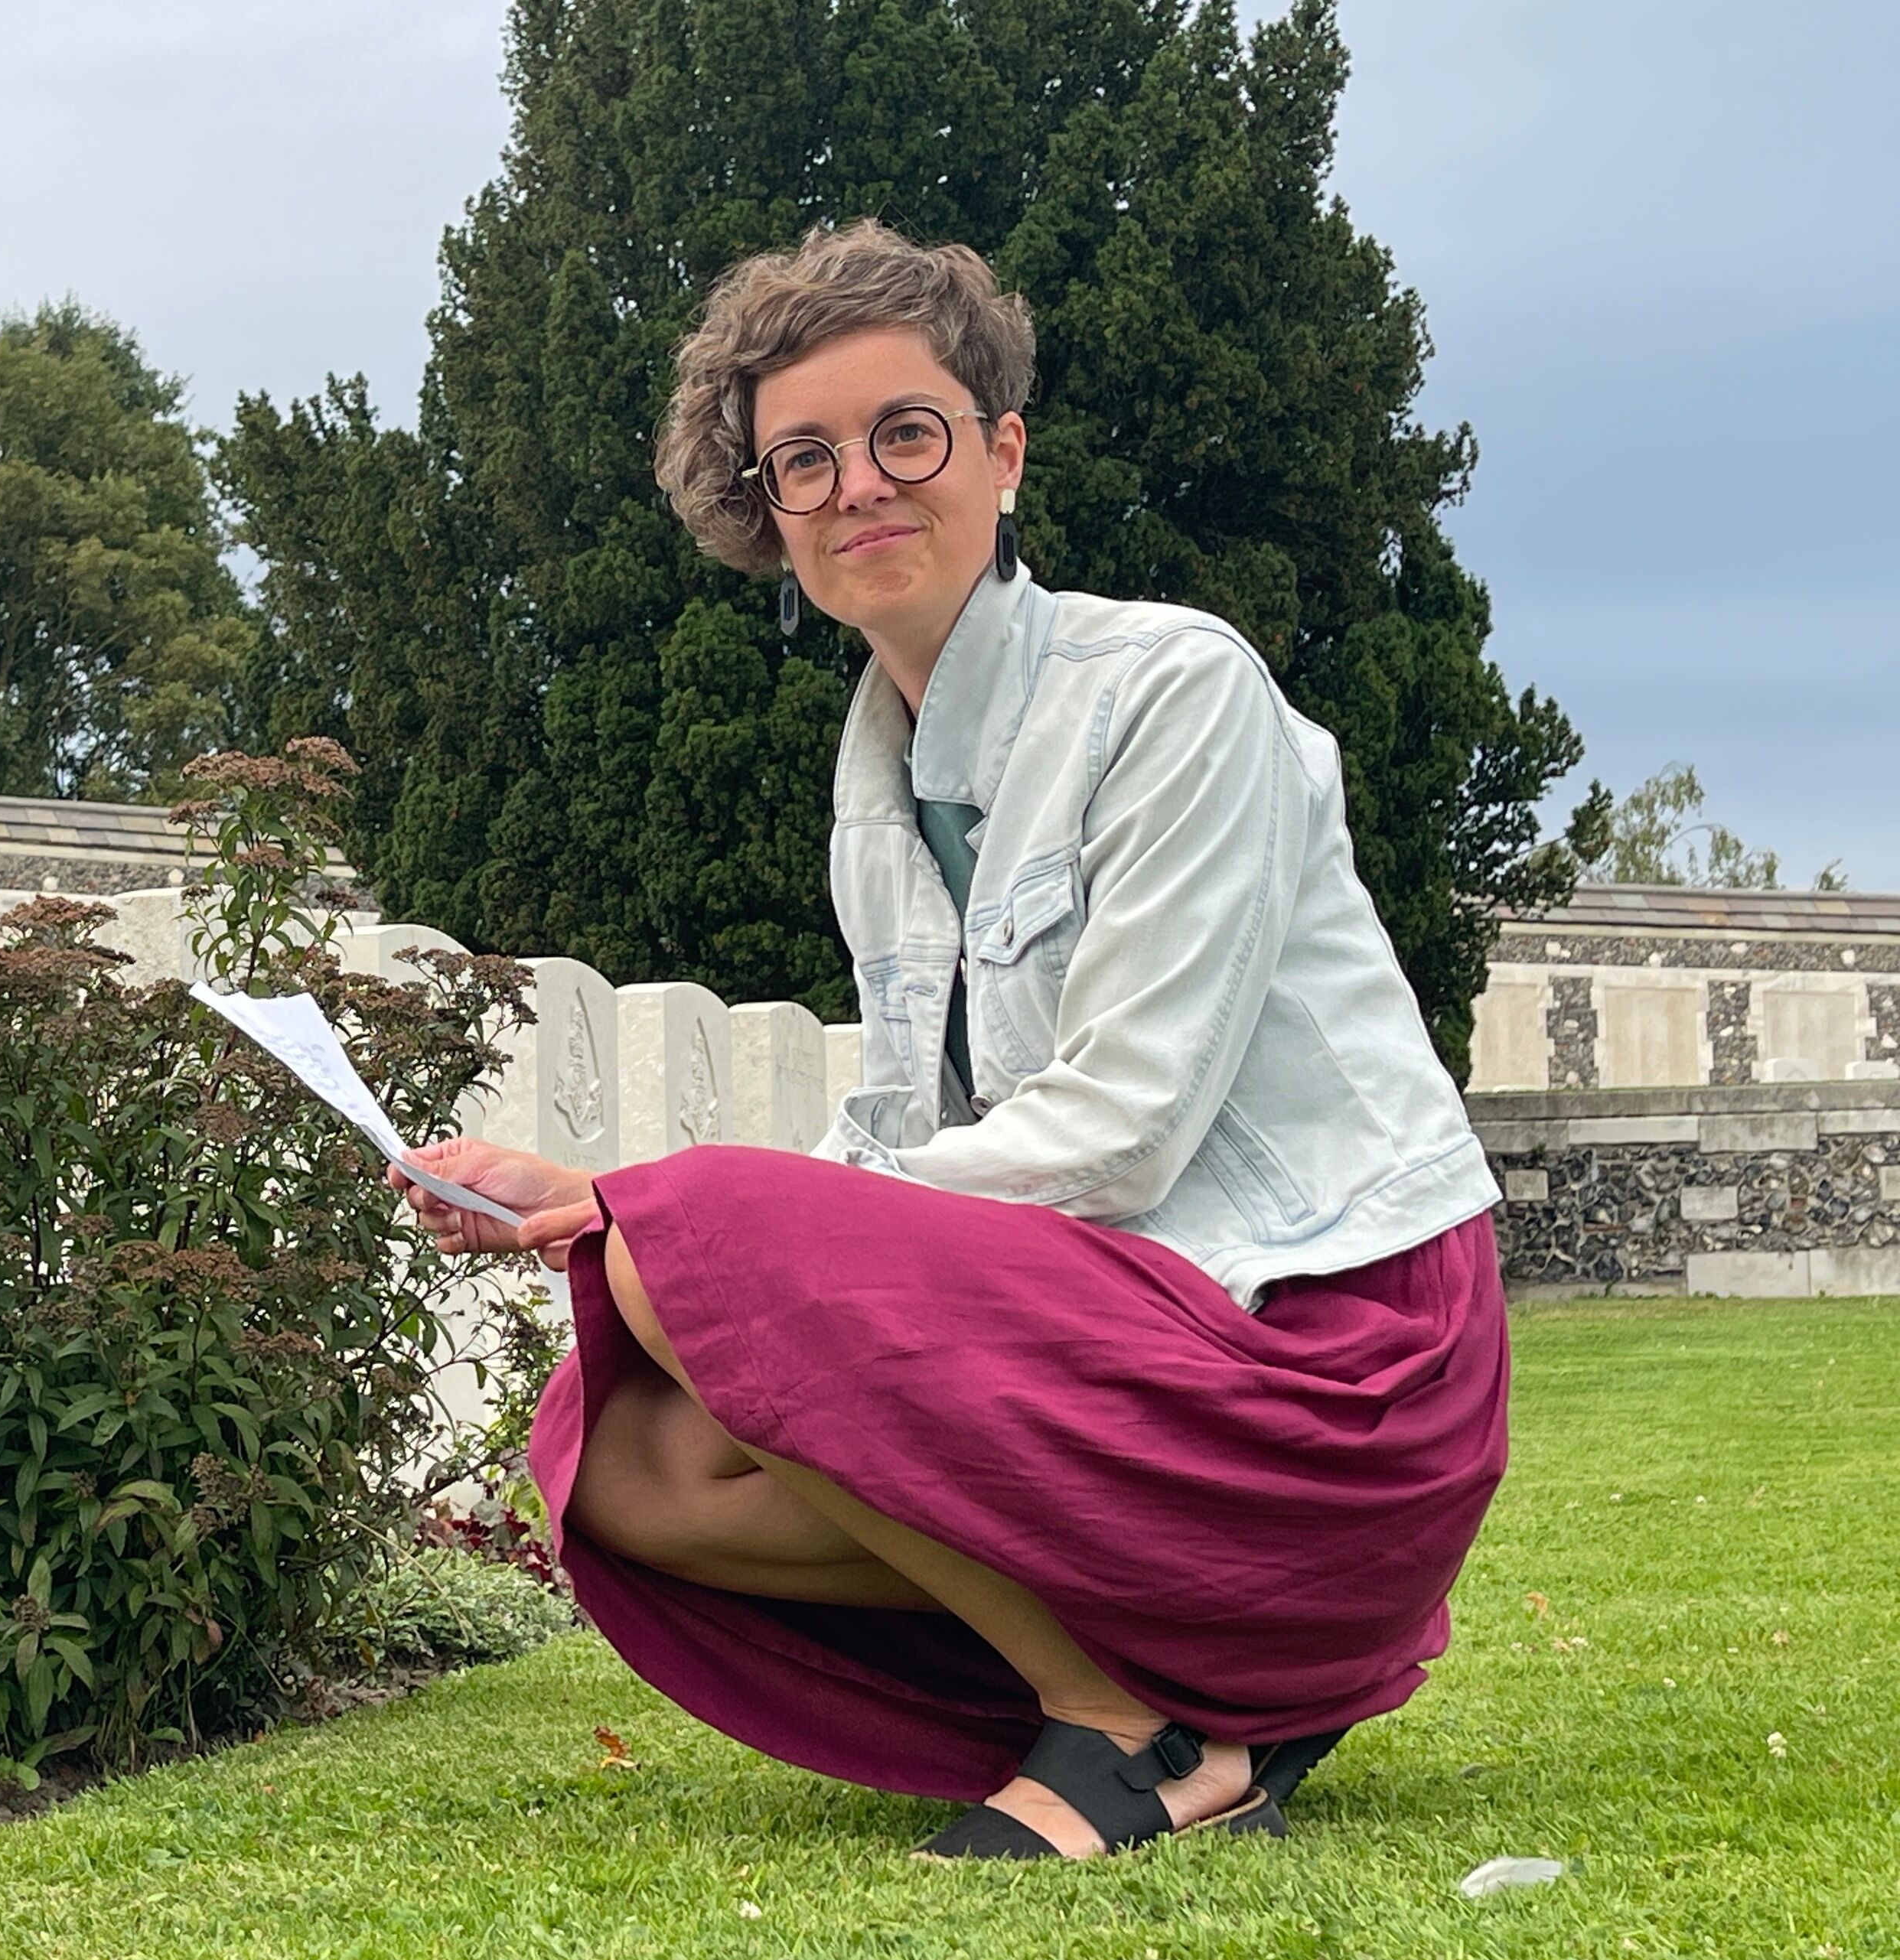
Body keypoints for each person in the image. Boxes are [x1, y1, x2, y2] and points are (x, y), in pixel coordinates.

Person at [393, 220, 1508, 1861]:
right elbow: (890, 1151)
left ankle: (1137, 1729)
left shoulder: (1174, 691)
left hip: (1339, 1353)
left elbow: (1123, 1127)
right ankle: (1185, 1685)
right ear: (770, 512)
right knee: (625, 1463)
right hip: (1138, 1333)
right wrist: (601, 1200)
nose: (859, 486)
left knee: (687, 1256)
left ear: (1002, 454)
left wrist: (666, 1219)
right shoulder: (880, 792)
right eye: (805, 459)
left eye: (905, 434)